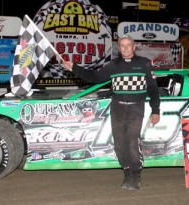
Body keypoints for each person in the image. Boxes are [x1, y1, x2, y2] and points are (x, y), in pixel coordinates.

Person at [62, 35, 161, 191]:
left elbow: (154, 90)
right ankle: (127, 172)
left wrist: (156, 111)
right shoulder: (113, 65)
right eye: (123, 45)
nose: (126, 48)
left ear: (134, 46)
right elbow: (94, 77)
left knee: (131, 142)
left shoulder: (144, 63)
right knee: (119, 144)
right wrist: (74, 67)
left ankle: (136, 174)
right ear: (119, 48)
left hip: (136, 108)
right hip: (117, 108)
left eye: (129, 45)